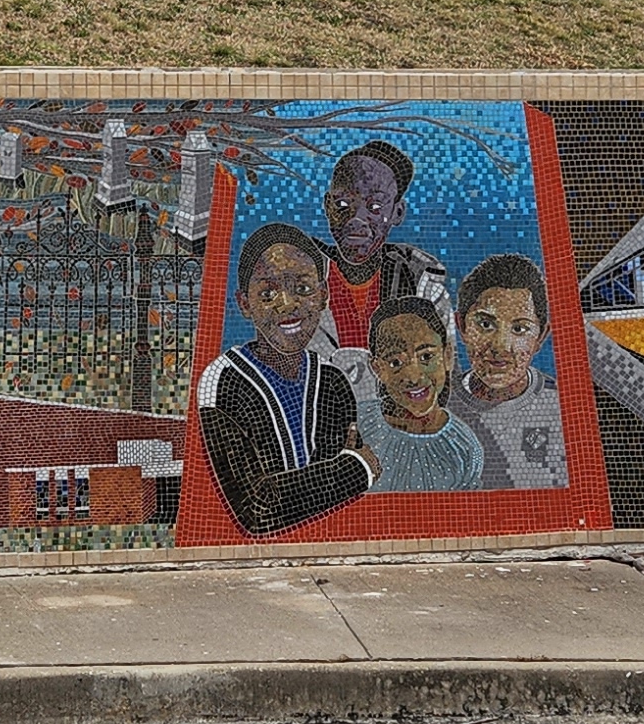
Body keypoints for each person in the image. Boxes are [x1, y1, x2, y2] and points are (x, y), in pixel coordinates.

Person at [197, 224, 375, 536]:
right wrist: (356, 470)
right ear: (245, 304)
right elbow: (257, 508)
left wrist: (321, 481)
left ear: (323, 296)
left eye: (303, 289)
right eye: (267, 293)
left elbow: (330, 493)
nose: (287, 304)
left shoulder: (332, 382)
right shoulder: (221, 381)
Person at [310, 141, 449, 373]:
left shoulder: (421, 284)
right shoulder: (302, 275)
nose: (356, 218)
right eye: (342, 203)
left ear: (397, 213)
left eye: (375, 207)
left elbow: (443, 372)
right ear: (327, 205)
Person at [450, 253, 568, 489]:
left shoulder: (562, 408)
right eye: (485, 324)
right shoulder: (439, 406)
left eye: (519, 328)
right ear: (462, 326)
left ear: (540, 337)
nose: (500, 345)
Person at [358, 294, 490, 493]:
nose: (413, 376)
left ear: (447, 357)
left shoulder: (464, 449)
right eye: (395, 362)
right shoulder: (357, 424)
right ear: (377, 369)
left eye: (426, 356)